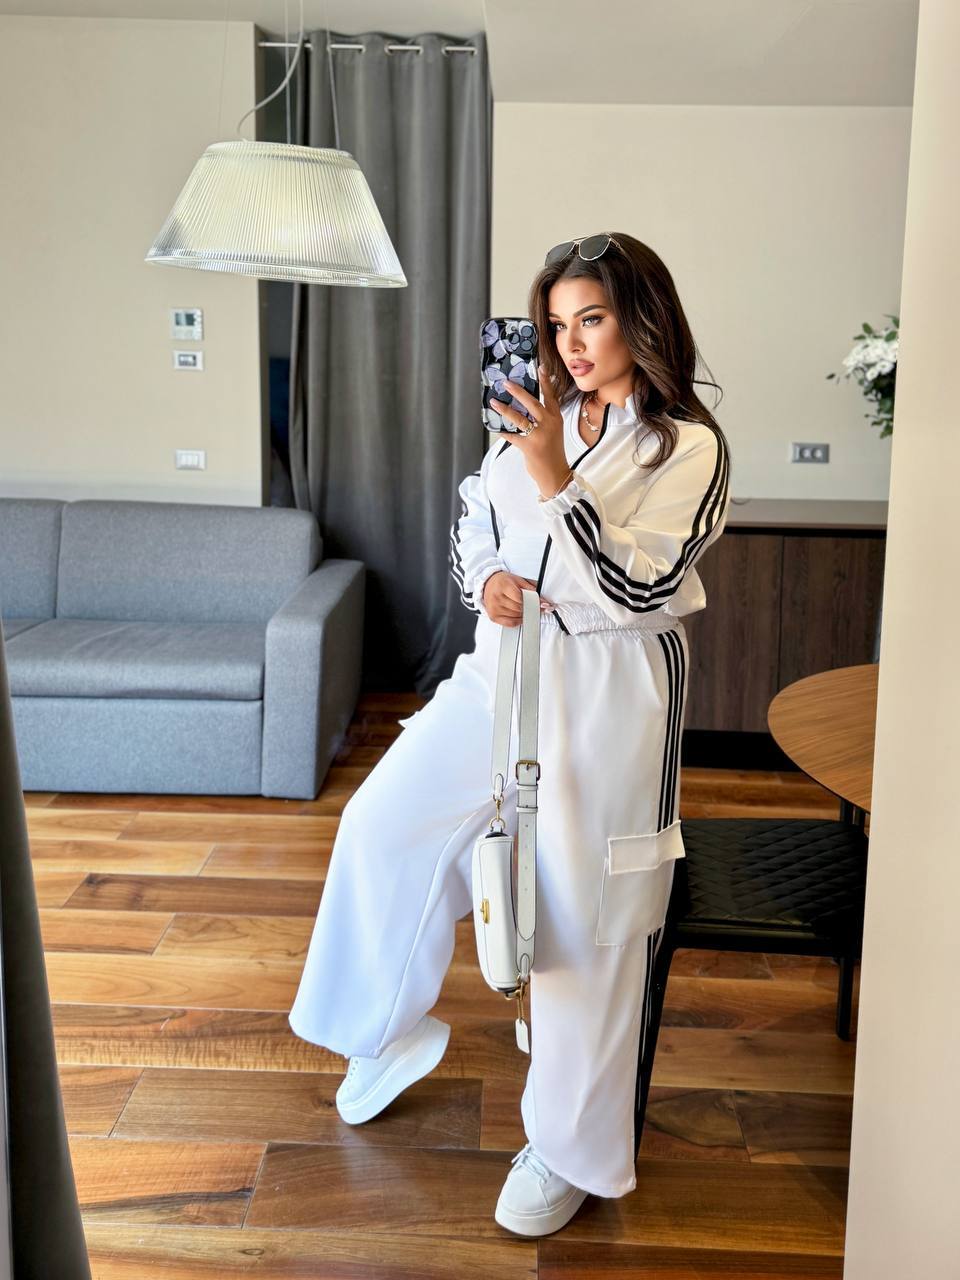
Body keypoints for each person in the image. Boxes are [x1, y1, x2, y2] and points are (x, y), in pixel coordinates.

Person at [289, 231, 732, 1237]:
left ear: (641, 320)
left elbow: (641, 586)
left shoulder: (686, 447)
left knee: (583, 914)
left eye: (593, 319)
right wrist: (485, 575)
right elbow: (479, 517)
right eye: (558, 323)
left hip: (608, 690)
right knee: (382, 824)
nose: (571, 343)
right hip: (500, 668)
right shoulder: (536, 414)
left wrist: (555, 475)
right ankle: (384, 1028)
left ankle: (568, 1146)